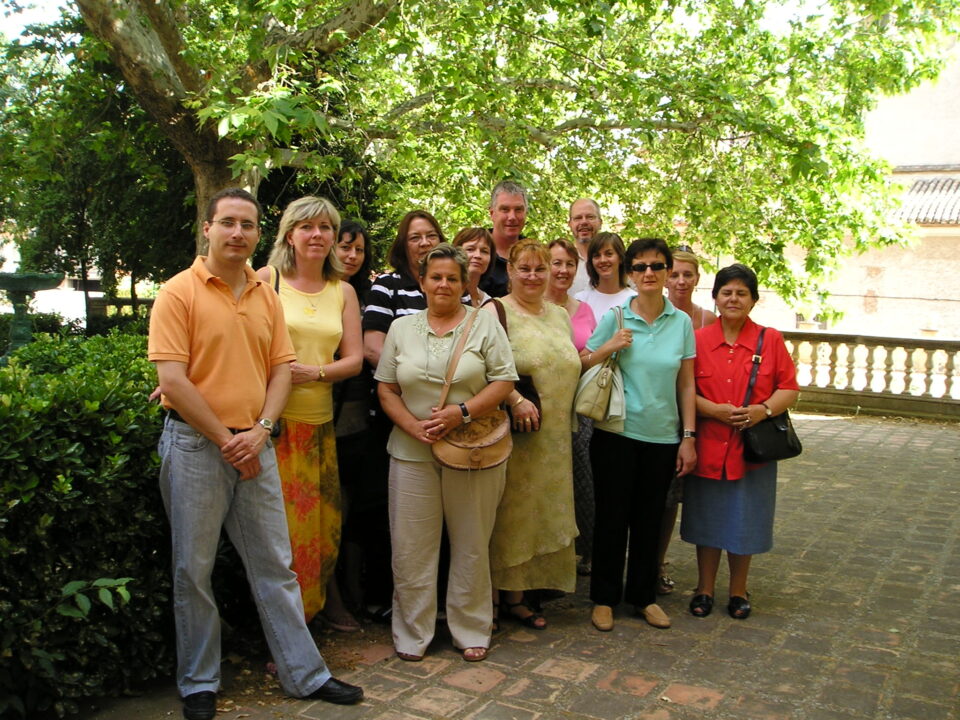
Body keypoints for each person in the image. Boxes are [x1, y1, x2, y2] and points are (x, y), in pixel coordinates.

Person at [149, 188, 362, 720]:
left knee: (276, 565)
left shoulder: (266, 295)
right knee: (193, 571)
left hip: (256, 444)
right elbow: (172, 379)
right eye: (228, 223)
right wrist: (229, 440)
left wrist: (262, 430)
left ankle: (304, 674)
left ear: (257, 232)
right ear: (207, 228)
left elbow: (280, 370)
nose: (238, 233)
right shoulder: (177, 294)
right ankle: (199, 682)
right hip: (199, 447)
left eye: (247, 224)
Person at [375, 244, 517, 662]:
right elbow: (386, 387)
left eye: (452, 278)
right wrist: (410, 425)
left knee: (472, 543)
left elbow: (505, 381)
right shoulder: (402, 329)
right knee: (411, 548)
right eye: (435, 277)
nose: (443, 284)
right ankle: (412, 633)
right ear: (421, 282)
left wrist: (461, 413)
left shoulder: (484, 325)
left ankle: (471, 628)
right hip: (410, 452)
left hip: (471, 451)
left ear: (464, 283)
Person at [253, 197, 363, 630]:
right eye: (306, 227)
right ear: (289, 235)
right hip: (276, 427)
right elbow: (232, 339)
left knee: (322, 530)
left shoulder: (344, 290)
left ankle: (308, 616)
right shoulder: (267, 280)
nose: (317, 234)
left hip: (321, 429)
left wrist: (312, 371)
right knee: (283, 537)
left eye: (325, 227)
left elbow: (353, 361)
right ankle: (285, 631)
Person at [582, 238, 696, 633]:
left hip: (662, 436)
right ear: (631, 272)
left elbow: (686, 384)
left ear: (667, 273)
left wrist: (689, 435)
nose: (649, 273)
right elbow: (582, 362)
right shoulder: (615, 316)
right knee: (612, 518)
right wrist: (609, 345)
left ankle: (643, 597)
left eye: (657, 266)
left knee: (649, 520)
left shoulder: (680, 322)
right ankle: (604, 599)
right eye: (642, 266)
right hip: (616, 433)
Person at [681, 264, 799, 620]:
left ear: (753, 300)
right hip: (708, 444)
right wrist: (713, 411)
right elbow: (683, 389)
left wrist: (763, 410)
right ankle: (703, 588)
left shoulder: (770, 339)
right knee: (708, 520)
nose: (733, 299)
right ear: (715, 298)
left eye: (741, 293)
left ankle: (737, 589)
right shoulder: (698, 339)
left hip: (751, 449)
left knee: (744, 518)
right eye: (726, 292)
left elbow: (789, 387)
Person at [485, 238, 581, 630]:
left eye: (540, 269)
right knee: (509, 515)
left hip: (556, 437)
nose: (532, 276)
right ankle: (496, 597)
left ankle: (523, 595)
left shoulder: (560, 315)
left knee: (541, 513)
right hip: (516, 433)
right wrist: (515, 396)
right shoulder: (495, 311)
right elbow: (484, 366)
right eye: (523, 268)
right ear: (509, 271)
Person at [361, 211, 444, 620]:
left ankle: (438, 603)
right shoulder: (388, 287)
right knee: (392, 513)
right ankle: (388, 601)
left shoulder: (453, 288)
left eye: (431, 235)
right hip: (395, 414)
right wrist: (417, 380)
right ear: (403, 244)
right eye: (415, 237)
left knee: (441, 517)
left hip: (446, 419)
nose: (424, 243)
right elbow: (372, 346)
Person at [656, 246, 718, 596]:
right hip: (657, 413)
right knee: (654, 496)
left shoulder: (707, 320)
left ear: (697, 278)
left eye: (687, 274)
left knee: (672, 499)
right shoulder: (652, 313)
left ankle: (658, 561)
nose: (680, 281)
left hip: (694, 417)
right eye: (674, 274)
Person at [327, 219, 373, 629]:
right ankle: (333, 598)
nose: (351, 256)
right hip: (325, 415)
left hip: (362, 420)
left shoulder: (366, 293)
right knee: (331, 510)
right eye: (344, 247)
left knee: (356, 509)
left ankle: (355, 592)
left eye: (358, 249)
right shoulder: (314, 291)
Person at [546, 238, 597, 576]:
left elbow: (590, 359)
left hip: (580, 406)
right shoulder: (530, 308)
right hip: (543, 408)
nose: (563, 270)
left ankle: (581, 552)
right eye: (556, 263)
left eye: (569, 264)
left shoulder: (585, 309)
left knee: (582, 481)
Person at [479, 180, 529, 298]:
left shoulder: (535, 254)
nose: (512, 217)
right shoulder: (474, 252)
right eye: (505, 209)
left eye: (518, 210)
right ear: (492, 213)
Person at [575, 232, 635, 324]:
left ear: (620, 258)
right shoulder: (581, 300)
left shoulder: (634, 299)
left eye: (609, 254)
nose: (603, 260)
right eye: (597, 256)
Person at [567, 199, 603, 296]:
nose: (584, 222)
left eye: (590, 217)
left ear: (600, 222)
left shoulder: (614, 261)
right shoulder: (561, 263)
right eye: (578, 218)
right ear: (570, 224)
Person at [452, 227, 494, 307]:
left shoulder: (489, 302)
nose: (478, 255)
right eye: (470, 249)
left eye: (484, 251)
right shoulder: (444, 293)